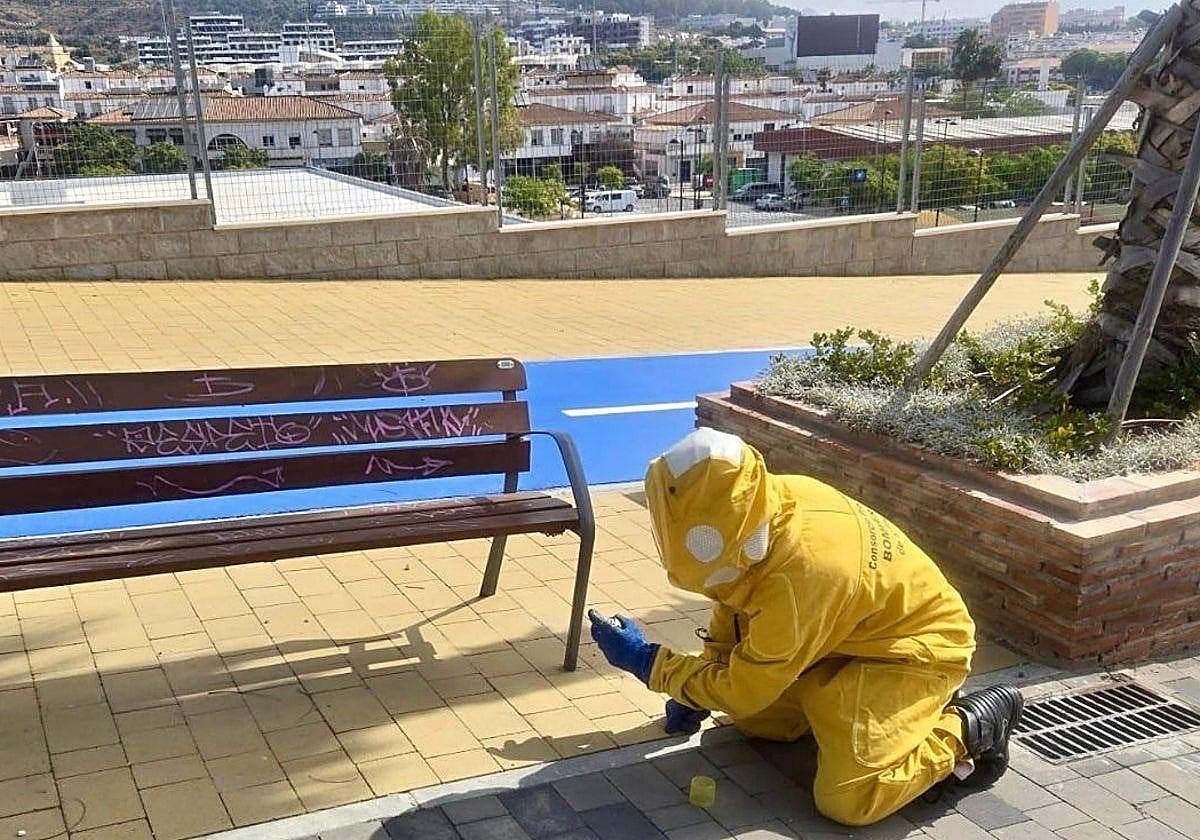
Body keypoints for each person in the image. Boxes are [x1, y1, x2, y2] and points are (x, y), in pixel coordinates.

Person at [589, 427, 1024, 827]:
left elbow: (744, 686)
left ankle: (967, 727)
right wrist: (699, 685)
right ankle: (867, 719)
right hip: (844, 639)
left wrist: (652, 665)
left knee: (848, 800)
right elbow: (737, 599)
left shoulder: (800, 577)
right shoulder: (768, 503)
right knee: (755, 721)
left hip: (913, 654)